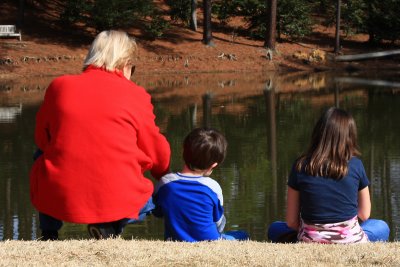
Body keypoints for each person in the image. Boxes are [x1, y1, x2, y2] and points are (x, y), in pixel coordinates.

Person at [30, 30, 171, 240]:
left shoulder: (59, 86)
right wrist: (163, 174)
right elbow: (155, 148)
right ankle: (109, 226)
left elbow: (42, 138)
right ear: (125, 63)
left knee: (41, 153)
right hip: (117, 195)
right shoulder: (135, 94)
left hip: (60, 194)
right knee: (150, 200)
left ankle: (49, 231)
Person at [268, 107, 390, 244]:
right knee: (381, 226)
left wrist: (315, 229)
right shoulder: (356, 165)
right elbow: (364, 214)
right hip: (350, 239)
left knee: (275, 228)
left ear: (318, 133)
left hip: (311, 239)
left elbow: (291, 222)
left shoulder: (300, 165)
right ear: (349, 136)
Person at [153, 127, 249, 242]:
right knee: (242, 235)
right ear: (213, 165)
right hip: (211, 240)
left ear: (182, 151)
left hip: (174, 239)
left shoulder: (165, 182)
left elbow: (157, 213)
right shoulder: (212, 187)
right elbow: (218, 223)